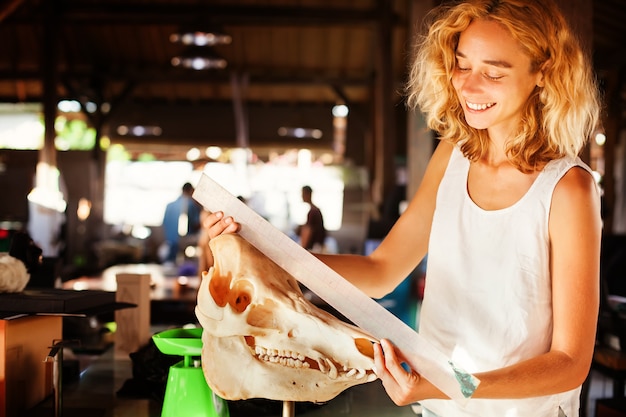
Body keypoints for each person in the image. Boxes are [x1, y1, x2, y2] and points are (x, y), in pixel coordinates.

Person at [202, 0, 602, 415]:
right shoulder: (452, 156)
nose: (468, 86)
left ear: (543, 73)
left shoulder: (567, 188)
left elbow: (570, 365)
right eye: (462, 65)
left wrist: (451, 386)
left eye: (494, 72)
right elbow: (382, 272)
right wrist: (267, 255)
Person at [162, 182, 201, 264]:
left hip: (170, 243)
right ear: (191, 191)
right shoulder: (191, 204)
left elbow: (164, 224)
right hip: (185, 243)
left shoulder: (169, 206)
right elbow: (197, 224)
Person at [297, 185, 326, 251]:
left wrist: (303, 248)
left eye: (303, 193)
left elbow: (308, 230)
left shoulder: (313, 212)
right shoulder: (315, 210)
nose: (301, 196)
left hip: (314, 249)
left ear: (308, 194)